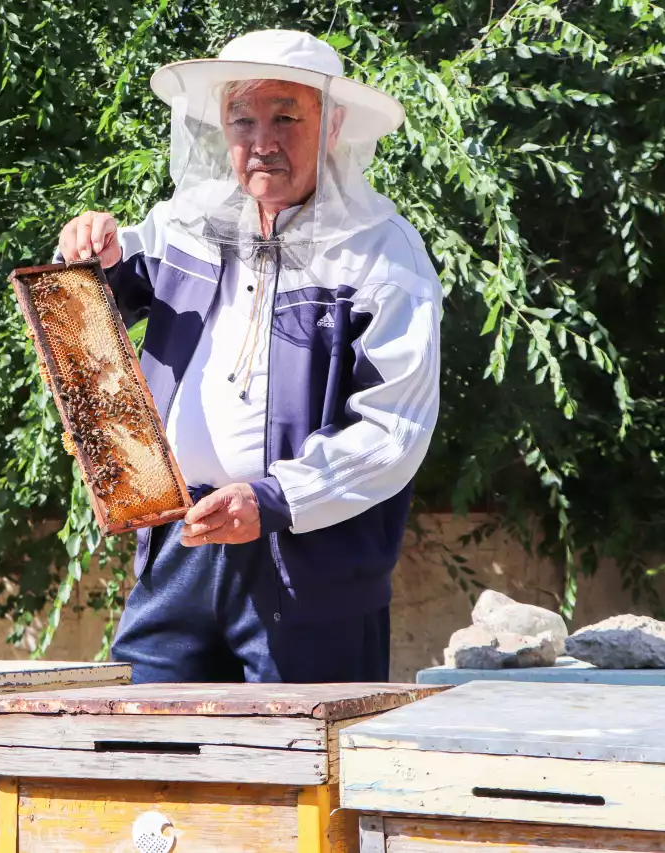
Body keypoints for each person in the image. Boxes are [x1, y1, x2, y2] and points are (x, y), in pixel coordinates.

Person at [56, 29, 441, 683]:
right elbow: (94, 309)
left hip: (312, 574)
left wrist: (271, 500)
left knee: (293, 770)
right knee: (143, 752)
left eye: (286, 116)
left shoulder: (383, 255)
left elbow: (392, 431)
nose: (262, 140)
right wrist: (86, 251)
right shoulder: (185, 226)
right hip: (180, 545)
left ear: (333, 124)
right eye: (243, 118)